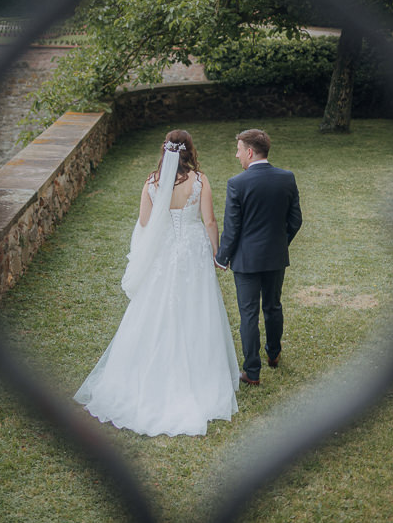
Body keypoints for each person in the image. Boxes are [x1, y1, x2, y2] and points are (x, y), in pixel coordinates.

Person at [74, 129, 240, 436]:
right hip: (193, 251)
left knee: (155, 309)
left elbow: (145, 223)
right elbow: (210, 221)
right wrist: (217, 255)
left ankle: (147, 376)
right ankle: (200, 375)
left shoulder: (152, 182)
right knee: (197, 308)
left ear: (165, 151)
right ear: (190, 150)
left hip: (163, 251)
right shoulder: (200, 181)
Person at [215, 129, 302, 386]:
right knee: (273, 306)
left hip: (246, 261)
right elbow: (295, 220)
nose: (237, 154)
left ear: (250, 152)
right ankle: (273, 354)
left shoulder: (237, 183)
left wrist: (222, 258)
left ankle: (252, 372)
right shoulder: (287, 178)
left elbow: (232, 228)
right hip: (275, 257)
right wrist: (279, 243)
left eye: (239, 150)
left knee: (249, 314)